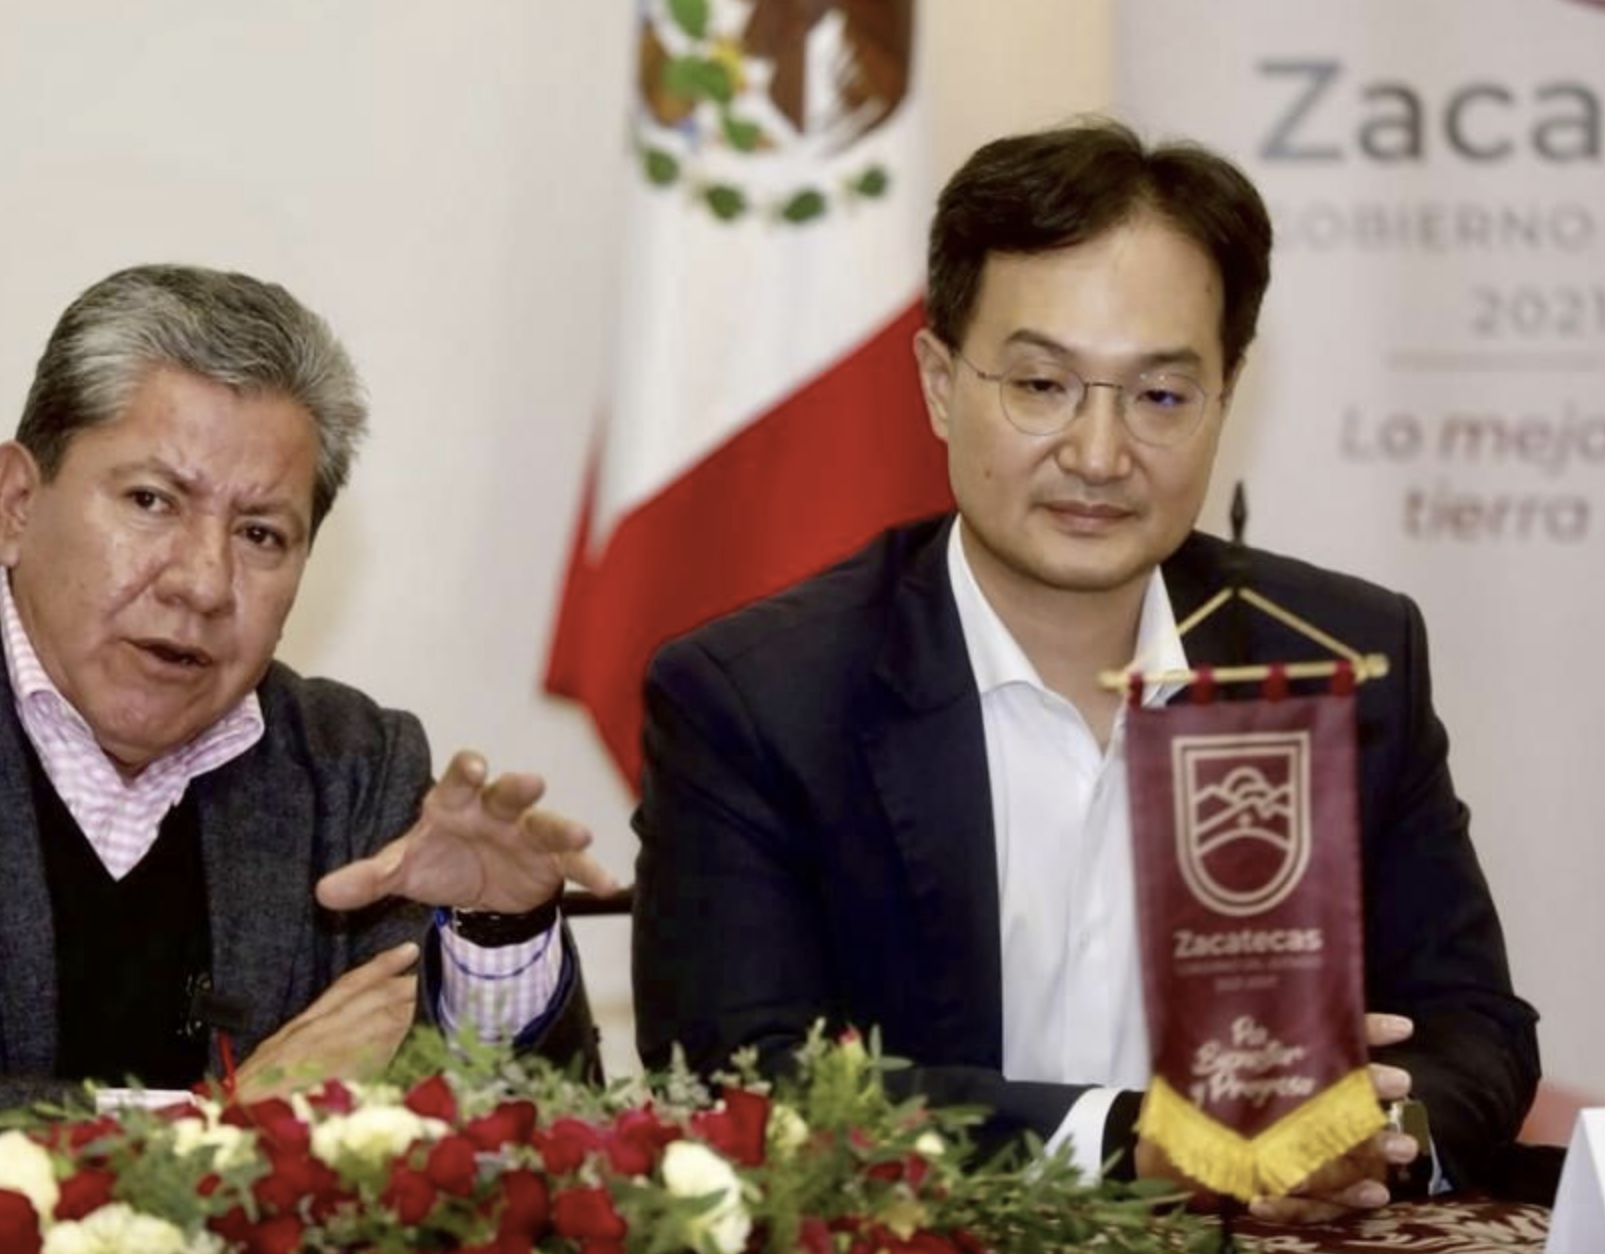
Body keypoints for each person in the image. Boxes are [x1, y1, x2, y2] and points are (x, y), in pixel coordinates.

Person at [630, 120, 1539, 1223]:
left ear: (1225, 394)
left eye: (1160, 396)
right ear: (938, 383)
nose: (1100, 455)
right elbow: (744, 1083)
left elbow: (1473, 1025)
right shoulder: (760, 699)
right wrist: (1135, 1149)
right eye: (1041, 384)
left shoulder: (1338, 656)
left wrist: (1367, 1138)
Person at [0, 264, 618, 1119]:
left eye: (260, 534)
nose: (202, 583)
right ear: (16, 503)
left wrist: (498, 937)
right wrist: (223, 1121)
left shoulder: (356, 769)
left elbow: (504, 1164)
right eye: (151, 502)